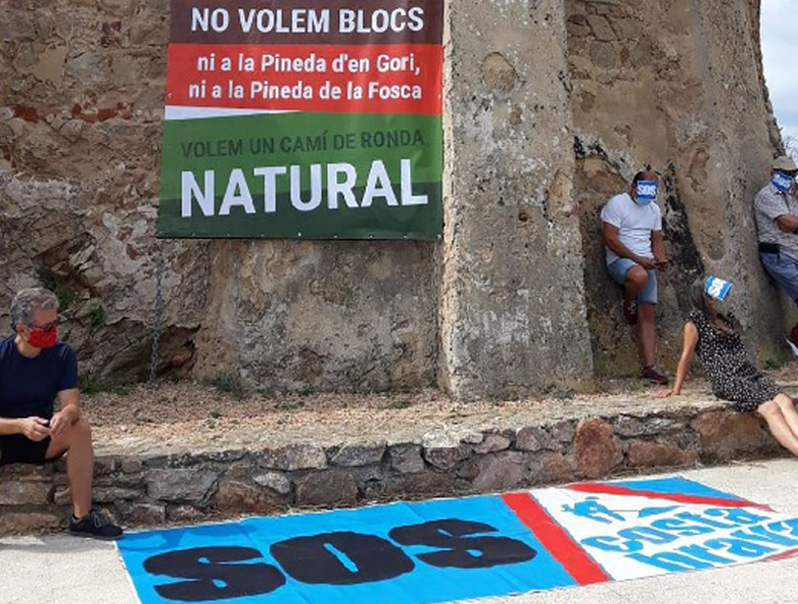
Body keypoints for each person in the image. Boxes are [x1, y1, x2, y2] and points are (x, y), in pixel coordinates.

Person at [0, 287, 123, 539]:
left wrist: (65, 416)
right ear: (22, 329)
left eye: (55, 324)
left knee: (80, 428)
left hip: (43, 436)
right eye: (47, 328)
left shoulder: (62, 354)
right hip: (5, 435)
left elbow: (72, 405)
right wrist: (21, 425)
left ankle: (83, 518)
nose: (53, 332)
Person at [658, 276, 798, 456]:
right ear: (703, 297)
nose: (716, 300)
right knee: (770, 408)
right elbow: (686, 355)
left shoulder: (727, 318)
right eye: (711, 296)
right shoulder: (695, 320)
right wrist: (676, 388)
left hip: (747, 371)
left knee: (785, 402)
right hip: (726, 377)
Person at [601, 169, 669, 384]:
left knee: (648, 311)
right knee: (640, 276)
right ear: (633, 186)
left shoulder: (653, 210)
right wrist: (638, 260)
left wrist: (660, 258)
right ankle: (628, 301)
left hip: (645, 262)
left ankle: (649, 367)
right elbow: (610, 239)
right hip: (621, 260)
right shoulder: (617, 204)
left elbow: (656, 237)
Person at [754, 155, 798, 355]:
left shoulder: (789, 197)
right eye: (785, 173)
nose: (789, 177)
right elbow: (786, 223)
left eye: (792, 174)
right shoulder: (767, 195)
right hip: (778, 255)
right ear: (773, 173)